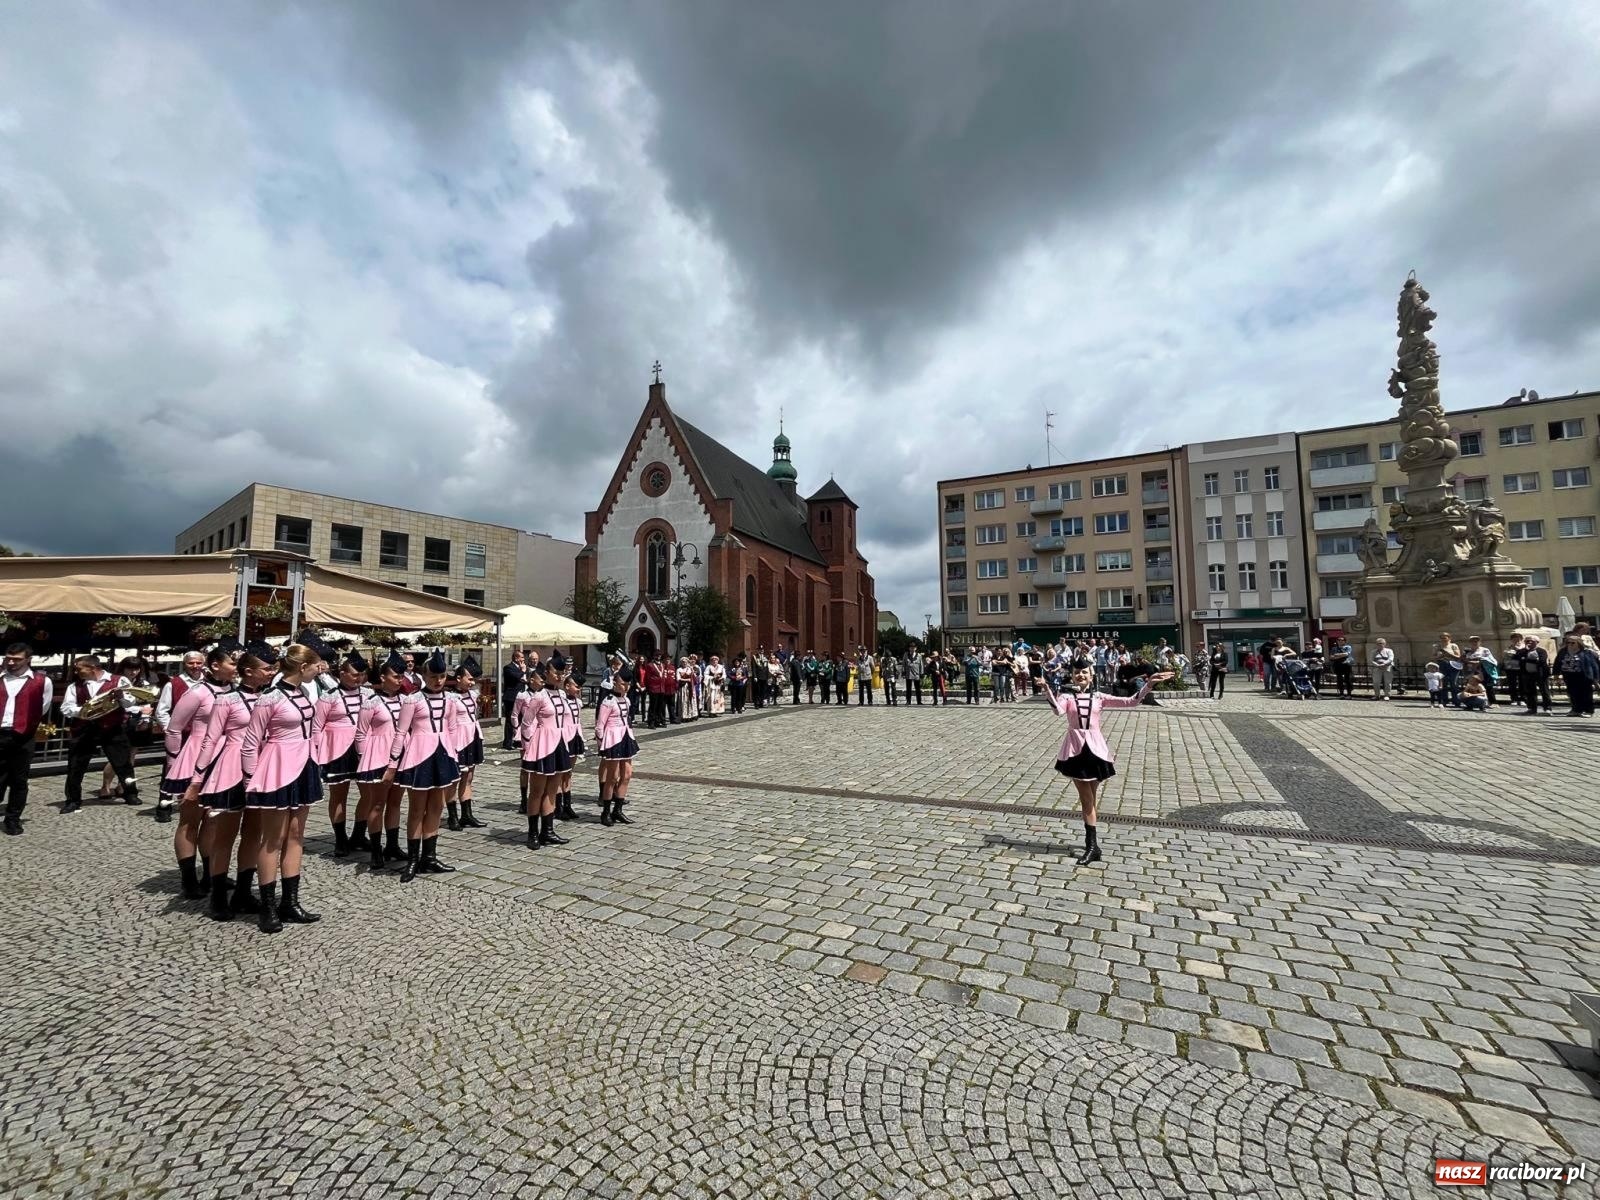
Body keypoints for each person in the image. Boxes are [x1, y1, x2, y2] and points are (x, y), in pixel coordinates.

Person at [1046, 659, 1173, 865]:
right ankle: (1092, 846)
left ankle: (1093, 846)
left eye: (1084, 672)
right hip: (1075, 752)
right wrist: (1046, 690)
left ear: (1092, 675)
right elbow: (1057, 711)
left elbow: (1131, 702)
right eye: (1077, 672)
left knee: (1090, 800)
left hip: (1095, 751)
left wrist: (1149, 684)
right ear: (1072, 675)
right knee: (1087, 800)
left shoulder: (1099, 697)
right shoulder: (1067, 697)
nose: (1081, 675)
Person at [185, 644, 276, 920]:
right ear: (248, 672)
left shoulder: (272, 698)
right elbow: (211, 739)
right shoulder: (228, 700)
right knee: (225, 834)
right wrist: (196, 780)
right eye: (267, 668)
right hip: (232, 766)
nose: (272, 673)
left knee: (253, 832)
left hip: (262, 764)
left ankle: (244, 892)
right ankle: (217, 895)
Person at [239, 643, 324, 933]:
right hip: (277, 767)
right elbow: (251, 742)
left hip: (304, 765)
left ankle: (290, 902)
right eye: (315, 665)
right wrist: (250, 780)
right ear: (303, 667)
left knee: (296, 835)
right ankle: (267, 907)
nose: (319, 669)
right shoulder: (269, 698)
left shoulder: (302, 693)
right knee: (271, 839)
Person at [159, 646, 236, 897]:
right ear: (215, 665)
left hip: (224, 757)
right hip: (195, 755)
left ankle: (212, 873)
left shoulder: (235, 692)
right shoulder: (198, 692)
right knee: (190, 820)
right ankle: (188, 878)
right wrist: (174, 763)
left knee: (214, 820)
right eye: (232, 663)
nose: (236, 668)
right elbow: (174, 728)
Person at [389, 650, 465, 881]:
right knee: (416, 809)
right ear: (424, 675)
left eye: (442, 676)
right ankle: (412, 859)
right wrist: (393, 763)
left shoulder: (451, 699)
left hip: (443, 755)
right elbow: (401, 732)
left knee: (436, 808)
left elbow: (452, 729)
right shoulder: (412, 699)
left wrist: (455, 756)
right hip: (418, 756)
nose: (438, 680)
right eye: (433, 676)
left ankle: (429, 857)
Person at [60, 655, 142, 813]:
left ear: (92, 668)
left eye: (79, 668)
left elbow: (130, 703)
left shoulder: (119, 681)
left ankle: (130, 793)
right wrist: (85, 711)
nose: (76, 672)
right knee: (76, 765)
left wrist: (122, 697)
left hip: (112, 727)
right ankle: (72, 800)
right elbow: (66, 708)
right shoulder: (75, 686)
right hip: (84, 728)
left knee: (123, 763)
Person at [354, 651, 410, 871]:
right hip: (378, 755)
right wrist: (364, 758)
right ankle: (376, 848)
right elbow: (360, 734)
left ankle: (393, 845)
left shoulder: (406, 700)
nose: (399, 680)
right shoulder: (371, 703)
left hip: (401, 755)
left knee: (396, 802)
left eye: (401, 676)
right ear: (383, 677)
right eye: (395, 676)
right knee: (377, 803)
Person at [314, 651, 371, 856]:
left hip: (363, 749)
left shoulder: (368, 694)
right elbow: (316, 727)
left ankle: (358, 834)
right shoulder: (328, 697)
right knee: (339, 796)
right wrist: (317, 754)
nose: (359, 678)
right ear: (342, 673)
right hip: (337, 751)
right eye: (355, 674)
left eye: (362, 674)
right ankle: (340, 839)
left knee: (369, 794)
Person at [514, 659, 572, 850]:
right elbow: (526, 722)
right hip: (542, 744)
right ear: (546, 672)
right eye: (556, 672)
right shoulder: (539, 696)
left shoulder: (562, 694)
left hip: (559, 743)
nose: (559, 675)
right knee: (537, 791)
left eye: (562, 672)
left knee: (552, 790)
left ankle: (547, 831)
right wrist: (529, 745)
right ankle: (532, 833)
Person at [1, 643, 53, 836]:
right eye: (9, 658)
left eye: (17, 659)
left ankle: (13, 819)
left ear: (28, 660)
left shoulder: (42, 681)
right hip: (0, 733)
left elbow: (43, 707)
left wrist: (25, 723)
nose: (11, 662)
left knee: (19, 780)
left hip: (23, 735)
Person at [447, 659, 488, 830]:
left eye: (473, 680)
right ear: (458, 678)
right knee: (455, 779)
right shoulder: (450, 697)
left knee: (469, 776)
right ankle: (452, 816)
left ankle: (467, 814)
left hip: (473, 735)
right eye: (469, 679)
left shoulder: (472, 694)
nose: (472, 683)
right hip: (458, 738)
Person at [595, 669, 639, 826]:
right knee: (612, 777)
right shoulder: (608, 701)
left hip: (626, 736)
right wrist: (601, 745)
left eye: (628, 684)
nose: (626, 687)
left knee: (626, 774)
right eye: (622, 684)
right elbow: (600, 726)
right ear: (614, 683)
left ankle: (618, 810)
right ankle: (606, 812)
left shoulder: (626, 700)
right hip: (613, 739)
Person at [1555, 634, 1599, 717]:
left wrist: (1595, 678)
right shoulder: (1563, 651)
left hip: (1583, 675)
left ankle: (1588, 710)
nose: (1570, 644)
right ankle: (1576, 709)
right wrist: (1556, 674)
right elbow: (1557, 662)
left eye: (1573, 643)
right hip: (1569, 675)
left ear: (1579, 643)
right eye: (1568, 642)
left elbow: (1594, 665)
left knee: (1586, 694)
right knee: (1573, 693)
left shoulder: (1586, 652)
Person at [1518, 635, 1552, 715]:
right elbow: (1517, 658)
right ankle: (1532, 708)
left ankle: (1547, 708)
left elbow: (1542, 661)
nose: (1529, 643)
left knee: (1544, 691)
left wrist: (1526, 659)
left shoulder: (1541, 651)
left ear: (1537, 642)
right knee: (1530, 692)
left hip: (1541, 674)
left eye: (1531, 641)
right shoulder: (1522, 651)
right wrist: (1528, 655)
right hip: (1528, 674)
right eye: (1527, 641)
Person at [501, 648, 525, 748]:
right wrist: (522, 670)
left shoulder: (521, 668)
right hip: (511, 698)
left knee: (520, 719)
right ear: (516, 658)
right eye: (522, 657)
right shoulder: (508, 668)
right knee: (510, 720)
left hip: (521, 697)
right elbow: (516, 677)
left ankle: (517, 740)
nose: (523, 659)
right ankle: (508, 742)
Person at [1464, 636, 1499, 707]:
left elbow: (1491, 659)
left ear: (1480, 642)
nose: (1474, 642)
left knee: (1488, 686)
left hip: (1485, 670)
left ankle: (1492, 702)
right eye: (1472, 641)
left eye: (1476, 641)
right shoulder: (1468, 652)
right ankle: (1477, 703)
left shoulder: (1485, 650)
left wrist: (1480, 659)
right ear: (1470, 642)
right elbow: (1465, 661)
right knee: (1474, 686)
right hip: (1474, 671)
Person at [1435, 633, 1464, 707]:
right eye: (1442, 638)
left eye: (1445, 638)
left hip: (1453, 665)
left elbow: (1458, 657)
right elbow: (1433, 657)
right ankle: (1445, 700)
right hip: (1442, 664)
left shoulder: (1453, 646)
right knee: (1443, 683)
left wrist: (1447, 654)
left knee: (1453, 683)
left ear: (1449, 638)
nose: (1443, 639)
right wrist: (1441, 655)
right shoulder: (1437, 646)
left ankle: (1456, 701)